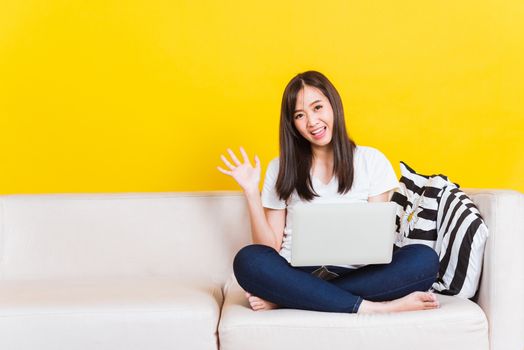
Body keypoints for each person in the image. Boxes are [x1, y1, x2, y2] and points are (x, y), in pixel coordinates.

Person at [217, 70, 440, 314]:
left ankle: (294, 297)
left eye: (318, 107)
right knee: (248, 260)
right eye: (300, 115)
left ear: (333, 105)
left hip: (359, 272)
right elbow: (269, 247)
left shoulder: (371, 160)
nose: (312, 122)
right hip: (295, 271)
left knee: (423, 259)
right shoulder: (279, 167)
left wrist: (287, 293)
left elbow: (378, 243)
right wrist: (251, 193)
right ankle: (371, 308)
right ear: (292, 124)